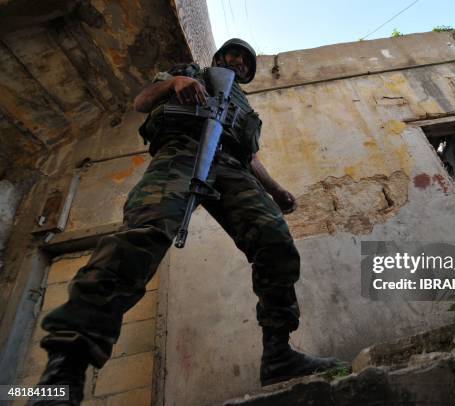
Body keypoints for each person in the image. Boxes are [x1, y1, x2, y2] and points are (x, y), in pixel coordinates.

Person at [32, 38, 346, 406]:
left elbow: (251, 159)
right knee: (143, 234)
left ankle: (279, 356)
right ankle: (64, 369)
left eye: (245, 60)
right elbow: (142, 102)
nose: (238, 61)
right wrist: (173, 84)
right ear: (218, 57)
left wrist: (277, 192)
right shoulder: (187, 73)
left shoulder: (244, 106)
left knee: (275, 244)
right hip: (181, 152)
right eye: (232, 54)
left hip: (231, 170)